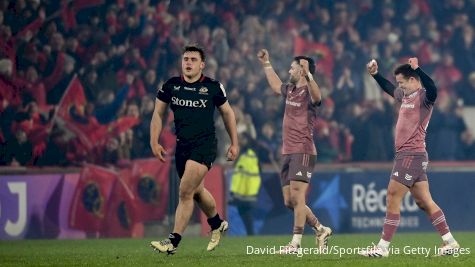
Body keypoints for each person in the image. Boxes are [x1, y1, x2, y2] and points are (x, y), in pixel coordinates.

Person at [359, 58, 460, 257]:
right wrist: (375, 75)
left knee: (392, 196)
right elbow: (388, 88)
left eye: (402, 82)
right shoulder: (405, 96)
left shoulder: (424, 97)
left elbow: (433, 88)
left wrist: (418, 69)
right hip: (409, 155)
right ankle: (450, 241)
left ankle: (382, 248)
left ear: (413, 80)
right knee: (424, 201)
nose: (399, 86)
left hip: (411, 154)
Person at [149, 44, 239, 254]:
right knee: (197, 192)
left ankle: (173, 241)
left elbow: (228, 113)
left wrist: (234, 143)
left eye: (193, 60)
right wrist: (154, 141)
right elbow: (157, 113)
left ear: (202, 65)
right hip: (182, 147)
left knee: (185, 191)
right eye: (185, 59)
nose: (188, 63)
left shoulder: (213, 87)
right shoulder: (171, 86)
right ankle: (217, 224)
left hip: (205, 145)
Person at [257, 49, 332, 253]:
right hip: (287, 151)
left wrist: (309, 75)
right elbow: (274, 85)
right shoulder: (289, 89)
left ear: (301, 71)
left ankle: (295, 244)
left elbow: (318, 96)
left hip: (303, 150)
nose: (289, 69)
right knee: (289, 201)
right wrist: (266, 63)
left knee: (298, 197)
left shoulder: (309, 91)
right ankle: (320, 229)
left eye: (293, 67)